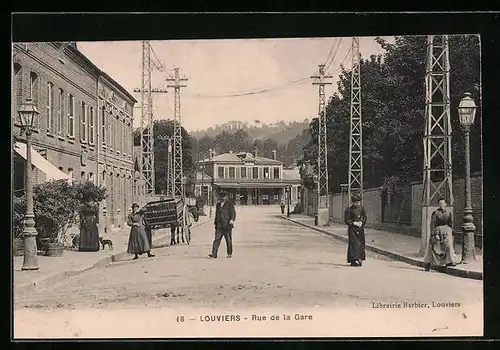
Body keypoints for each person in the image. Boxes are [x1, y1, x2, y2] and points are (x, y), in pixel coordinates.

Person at [423, 198, 457, 271]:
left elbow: (451, 223)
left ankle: (449, 261)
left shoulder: (448, 213)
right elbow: (432, 224)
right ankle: (427, 264)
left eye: (443, 203)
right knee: (432, 247)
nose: (442, 205)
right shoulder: (435, 213)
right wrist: (434, 234)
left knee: (448, 246)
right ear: (438, 205)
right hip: (437, 231)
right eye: (440, 203)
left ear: (445, 204)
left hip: (446, 231)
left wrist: (451, 232)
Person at [209, 192, 236, 259]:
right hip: (219, 225)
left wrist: (232, 220)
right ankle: (214, 253)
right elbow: (217, 214)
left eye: (224, 197)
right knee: (216, 239)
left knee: (228, 240)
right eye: (221, 197)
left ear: (226, 197)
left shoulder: (230, 204)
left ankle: (229, 253)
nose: (222, 198)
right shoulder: (218, 205)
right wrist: (215, 223)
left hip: (227, 225)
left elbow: (233, 213)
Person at [344, 193, 367, 267]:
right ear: (353, 202)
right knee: (354, 244)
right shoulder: (348, 209)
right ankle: (353, 260)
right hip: (352, 230)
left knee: (361, 244)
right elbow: (347, 220)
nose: (358, 203)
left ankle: (360, 258)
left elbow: (364, 217)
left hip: (360, 229)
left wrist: (362, 222)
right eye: (357, 202)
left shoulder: (361, 208)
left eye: (359, 202)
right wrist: (353, 223)